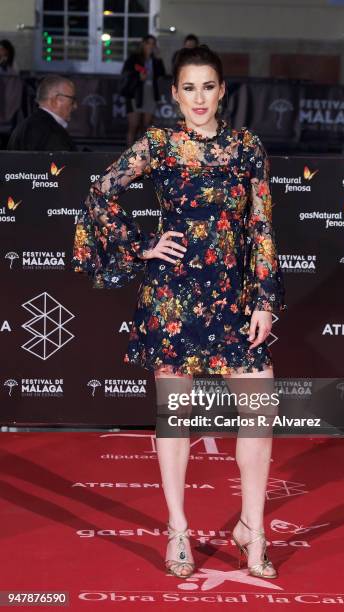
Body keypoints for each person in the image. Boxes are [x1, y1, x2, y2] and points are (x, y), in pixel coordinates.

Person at [73, 45, 285, 579]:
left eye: (208, 87)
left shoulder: (247, 148)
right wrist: (141, 244)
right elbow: (100, 191)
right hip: (173, 299)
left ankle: (252, 530)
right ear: (174, 94)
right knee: (176, 418)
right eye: (188, 88)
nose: (198, 98)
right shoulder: (160, 145)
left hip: (234, 299)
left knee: (259, 410)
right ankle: (178, 530)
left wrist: (263, 300)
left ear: (222, 91)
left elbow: (260, 227)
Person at [7, 74, 77, 151]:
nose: (75, 106)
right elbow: (62, 162)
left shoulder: (21, 127)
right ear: (55, 101)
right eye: (72, 100)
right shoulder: (53, 132)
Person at [121, 34, 166, 146]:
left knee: (146, 125)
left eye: (153, 44)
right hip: (135, 93)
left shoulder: (155, 60)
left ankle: (142, 151)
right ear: (143, 44)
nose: (150, 46)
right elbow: (125, 73)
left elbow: (162, 74)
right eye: (148, 43)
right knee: (134, 125)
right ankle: (129, 154)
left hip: (150, 94)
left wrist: (159, 58)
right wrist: (138, 77)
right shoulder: (134, 58)